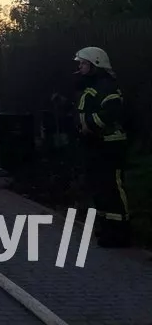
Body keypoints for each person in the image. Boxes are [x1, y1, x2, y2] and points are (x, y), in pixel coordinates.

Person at [74, 46, 131, 248]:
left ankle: (120, 231)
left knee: (112, 186)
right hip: (96, 145)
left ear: (95, 65)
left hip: (111, 145)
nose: (80, 67)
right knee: (99, 187)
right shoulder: (92, 86)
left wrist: (89, 125)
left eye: (84, 63)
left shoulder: (107, 87)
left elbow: (110, 113)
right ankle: (107, 227)